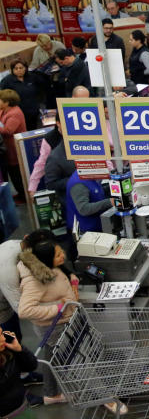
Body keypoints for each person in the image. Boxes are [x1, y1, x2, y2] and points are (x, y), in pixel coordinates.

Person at [17, 238, 78, 406]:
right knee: (70, 357)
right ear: (46, 259)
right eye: (58, 254)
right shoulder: (34, 281)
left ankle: (51, 394)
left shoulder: (51, 268)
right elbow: (24, 310)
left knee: (52, 357)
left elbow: (62, 275)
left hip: (63, 322)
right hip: (54, 326)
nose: (63, 255)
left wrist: (72, 280)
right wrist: (58, 307)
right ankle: (95, 394)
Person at [0, 325, 39, 416]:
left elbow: (32, 366)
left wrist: (20, 350)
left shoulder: (7, 352)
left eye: (2, 333)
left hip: (22, 405)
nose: (3, 339)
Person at [0, 90, 26, 199]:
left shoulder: (15, 113)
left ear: (7, 102)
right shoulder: (4, 110)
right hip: (7, 148)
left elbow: (8, 131)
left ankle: (22, 196)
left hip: (14, 149)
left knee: (16, 174)